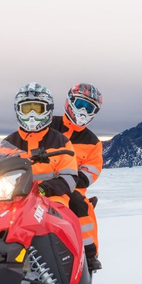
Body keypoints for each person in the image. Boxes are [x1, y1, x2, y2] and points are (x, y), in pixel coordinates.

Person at [50, 83, 104, 272]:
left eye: (89, 107)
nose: (83, 111)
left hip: (70, 190)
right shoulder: (48, 125)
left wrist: (66, 183)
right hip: (36, 184)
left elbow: (91, 172)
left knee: (80, 206)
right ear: (69, 102)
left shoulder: (93, 143)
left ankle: (89, 255)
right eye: (80, 104)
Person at [2, 82, 78, 207]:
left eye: (37, 109)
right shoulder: (7, 144)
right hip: (13, 202)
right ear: (18, 110)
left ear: (48, 109)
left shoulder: (61, 142)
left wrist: (43, 189)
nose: (32, 114)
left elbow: (69, 179)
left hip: (53, 202)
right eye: (27, 109)